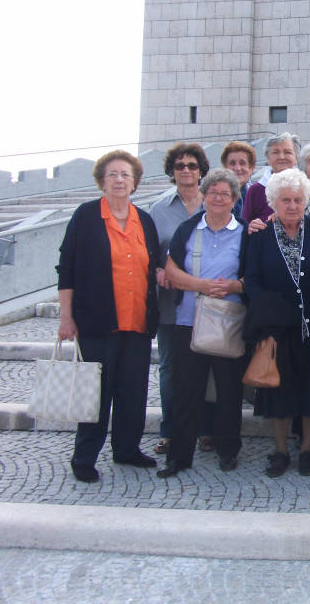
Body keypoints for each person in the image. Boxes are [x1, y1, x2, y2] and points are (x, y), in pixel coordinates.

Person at [57, 151, 161, 483]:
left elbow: (154, 264)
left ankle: (127, 449)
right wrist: (65, 317)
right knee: (96, 393)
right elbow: (67, 269)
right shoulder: (86, 216)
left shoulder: (143, 219)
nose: (119, 180)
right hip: (98, 322)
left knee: (133, 390)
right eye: (113, 174)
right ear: (102, 180)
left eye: (125, 175)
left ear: (135, 182)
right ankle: (84, 456)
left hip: (138, 321)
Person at [243, 168, 310, 478]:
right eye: (286, 200)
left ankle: (307, 449)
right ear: (273, 203)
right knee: (278, 391)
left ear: (306, 200)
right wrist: (275, 311)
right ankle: (280, 450)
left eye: (298, 199)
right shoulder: (260, 236)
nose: (293, 205)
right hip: (277, 327)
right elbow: (251, 282)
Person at [158, 168, 248, 478]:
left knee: (228, 391)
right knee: (187, 391)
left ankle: (228, 451)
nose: (219, 198)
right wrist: (201, 285)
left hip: (228, 322)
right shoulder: (188, 229)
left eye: (225, 194)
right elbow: (171, 271)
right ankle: (179, 456)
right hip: (189, 321)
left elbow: (253, 278)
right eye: (213, 193)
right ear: (204, 196)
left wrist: (234, 286)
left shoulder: (246, 232)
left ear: (235, 199)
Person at [149, 143, 208, 457]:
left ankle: (206, 430)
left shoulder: (214, 204)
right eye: (180, 165)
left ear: (201, 170)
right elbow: (149, 253)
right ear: (172, 171)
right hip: (171, 301)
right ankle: (170, 431)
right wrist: (157, 269)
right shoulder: (158, 209)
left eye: (192, 165)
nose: (186, 170)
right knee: (171, 368)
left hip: (208, 302)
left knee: (208, 365)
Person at [243, 133, 298, 227]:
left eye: (287, 152)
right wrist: (250, 227)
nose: (281, 157)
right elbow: (245, 226)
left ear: (296, 157)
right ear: (268, 158)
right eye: (276, 152)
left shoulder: (306, 187)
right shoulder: (256, 190)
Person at [220, 140, 256, 219]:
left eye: (242, 163)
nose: (237, 168)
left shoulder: (259, 196)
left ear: (251, 167)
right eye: (232, 163)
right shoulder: (216, 196)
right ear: (225, 168)